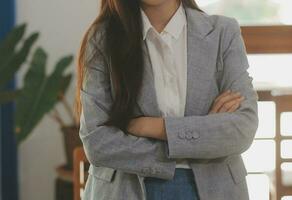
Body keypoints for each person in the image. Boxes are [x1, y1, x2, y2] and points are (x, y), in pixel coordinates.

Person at [74, 0, 259, 199]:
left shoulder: (223, 32)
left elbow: (243, 127)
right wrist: (204, 136)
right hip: (125, 190)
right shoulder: (103, 38)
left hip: (215, 188)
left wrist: (155, 128)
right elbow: (97, 143)